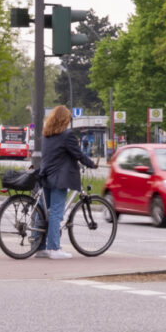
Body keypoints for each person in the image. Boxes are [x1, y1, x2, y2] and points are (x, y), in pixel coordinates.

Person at [39, 106, 95, 259]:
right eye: (69, 119)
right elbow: (77, 154)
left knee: (44, 213)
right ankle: (54, 248)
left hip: (45, 176)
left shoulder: (46, 134)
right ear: (64, 119)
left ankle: (40, 247)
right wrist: (91, 164)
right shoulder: (67, 135)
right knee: (56, 212)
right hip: (59, 178)